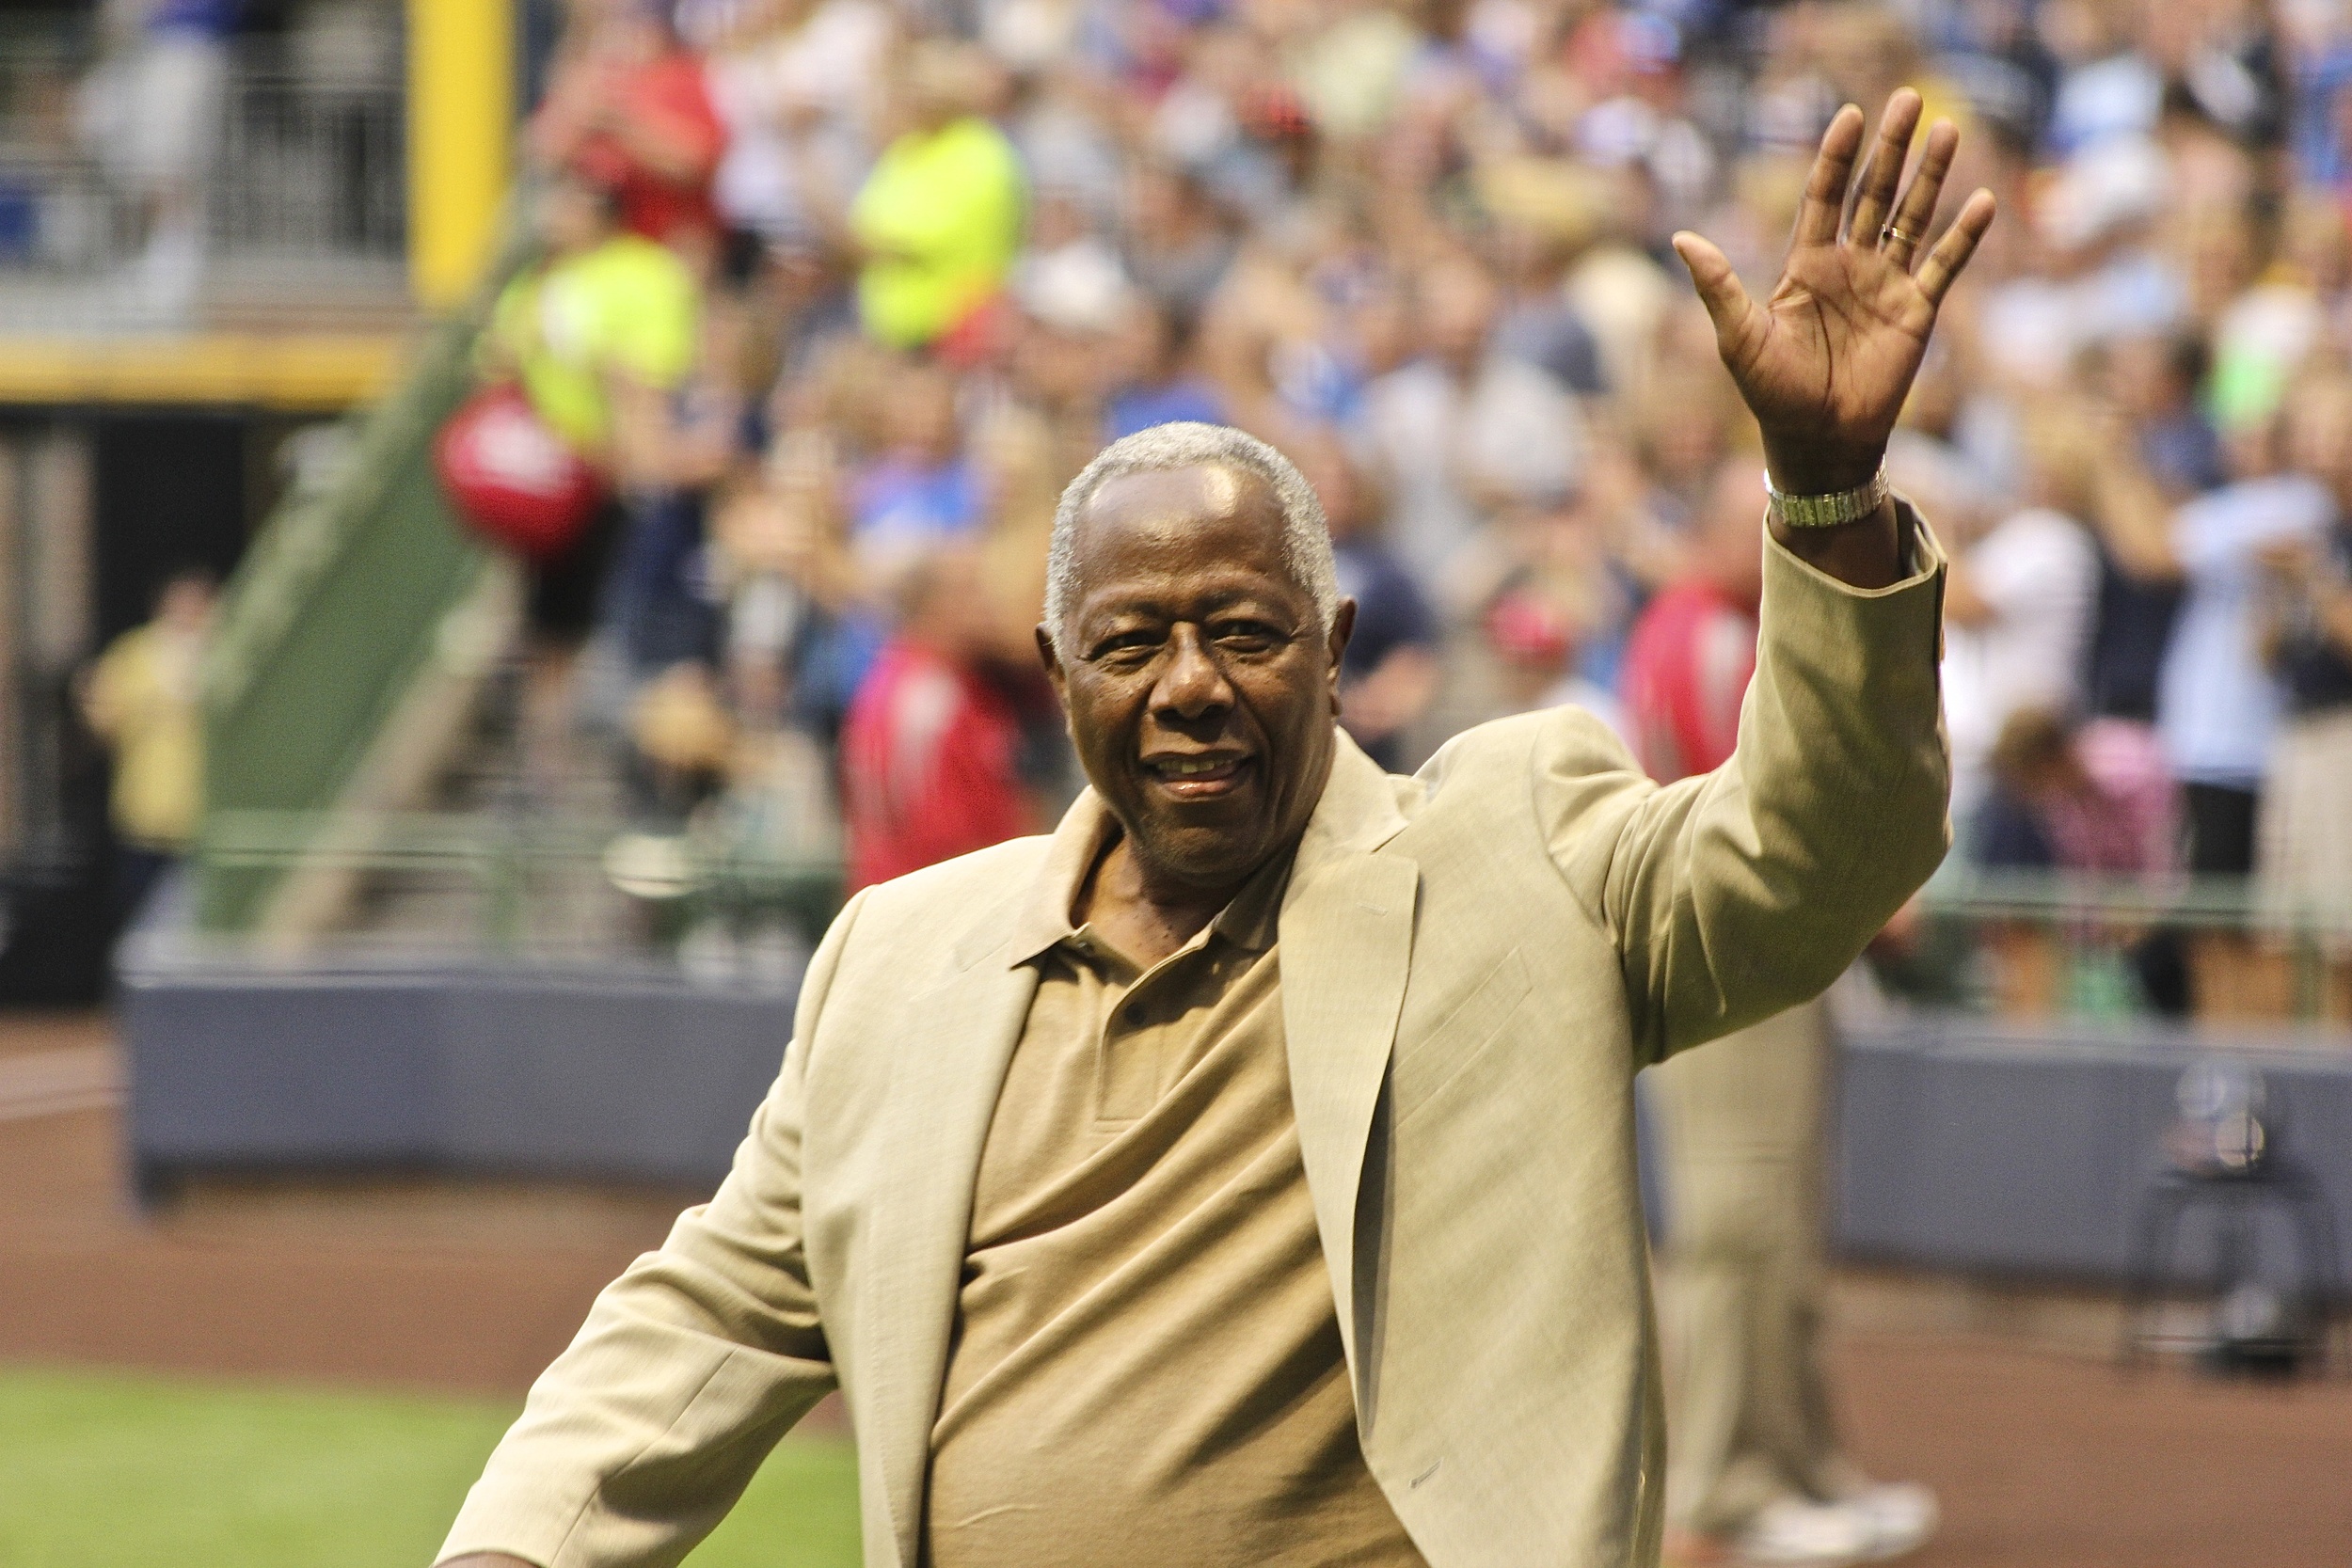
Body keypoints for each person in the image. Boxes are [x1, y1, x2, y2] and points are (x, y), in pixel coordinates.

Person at [436, 92, 1990, 1568]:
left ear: (1333, 640)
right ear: (1059, 678)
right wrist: (519, 1540)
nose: (1189, 686)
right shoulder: (900, 960)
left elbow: (1823, 846)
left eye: (1243, 629)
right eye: (1131, 643)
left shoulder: (1523, 855)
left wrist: (1825, 497)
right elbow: (707, 1311)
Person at [1628, 462, 1936, 1566]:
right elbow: (1747, 820)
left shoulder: (1714, 622)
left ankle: (1799, 1463)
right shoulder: (1707, 631)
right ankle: (1726, 1491)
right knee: (1738, 1225)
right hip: (1732, 951)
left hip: (1754, 955)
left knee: (1778, 1220)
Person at [838, 546, 1037, 892]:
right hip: (937, 910)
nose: (987, 604)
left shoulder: (942, 680)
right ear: (931, 604)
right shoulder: (928, 698)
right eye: (969, 590)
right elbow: (946, 844)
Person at [82, 569, 215, 925]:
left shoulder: (223, 652)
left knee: (196, 909)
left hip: (204, 810)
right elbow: (101, 713)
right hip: (144, 807)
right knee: (139, 902)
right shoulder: (133, 653)